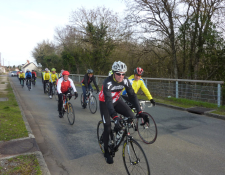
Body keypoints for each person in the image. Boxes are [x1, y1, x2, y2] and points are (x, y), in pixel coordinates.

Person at [99, 61, 148, 164]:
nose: (121, 76)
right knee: (107, 127)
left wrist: (140, 111)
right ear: (113, 73)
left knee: (131, 115)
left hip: (116, 101)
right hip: (105, 103)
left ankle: (118, 132)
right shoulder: (107, 82)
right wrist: (115, 116)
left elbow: (132, 95)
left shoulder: (125, 80)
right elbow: (108, 101)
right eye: (118, 73)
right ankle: (107, 151)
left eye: (123, 74)